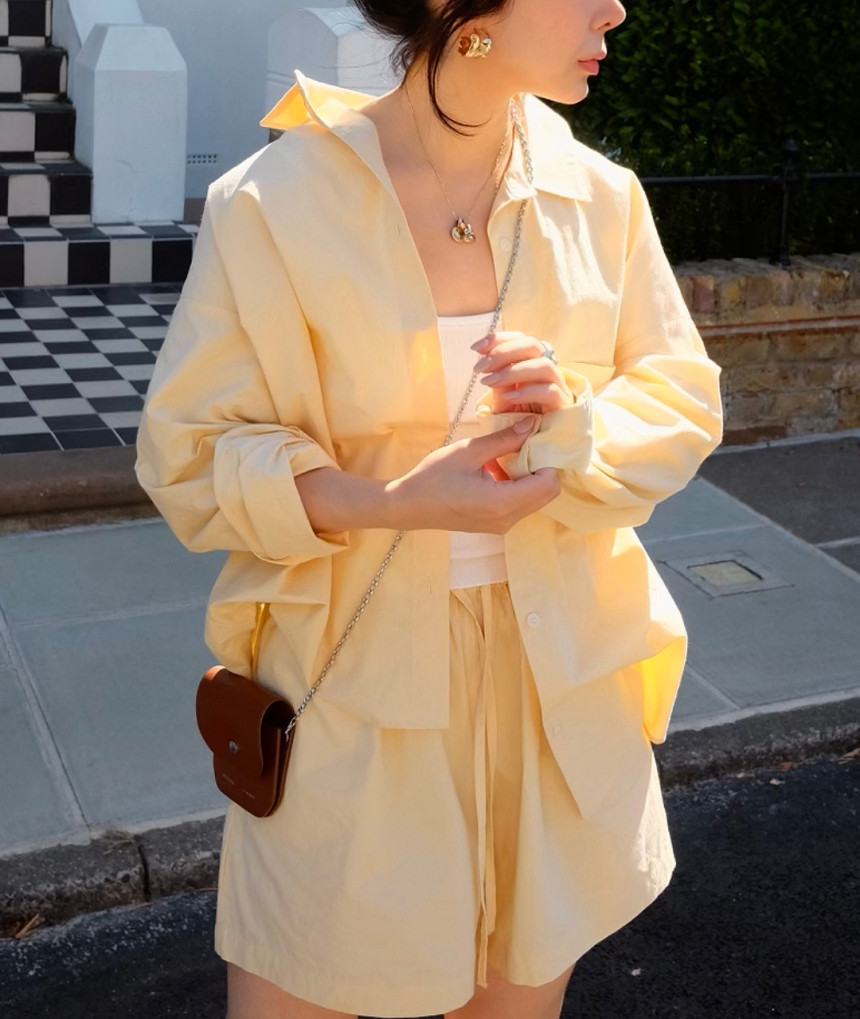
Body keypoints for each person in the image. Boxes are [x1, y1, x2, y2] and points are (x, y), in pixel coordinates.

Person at [136, 0, 724, 1016]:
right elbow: (190, 453)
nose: (616, 8)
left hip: (555, 687)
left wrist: (571, 421)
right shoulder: (275, 201)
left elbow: (680, 402)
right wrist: (392, 502)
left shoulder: (598, 197)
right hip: (354, 687)